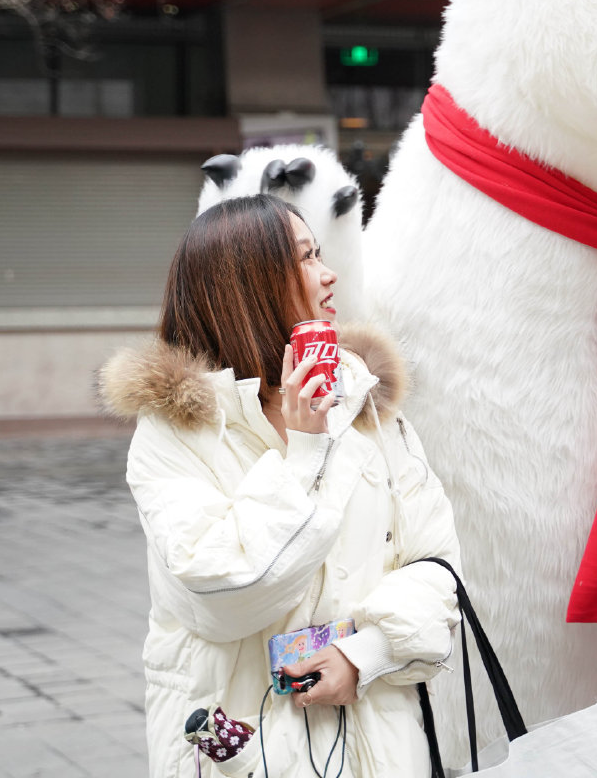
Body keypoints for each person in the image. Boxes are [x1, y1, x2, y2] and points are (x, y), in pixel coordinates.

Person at [99, 193, 461, 778]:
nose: (330, 273)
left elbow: (437, 564)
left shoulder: (361, 404)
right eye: (308, 257)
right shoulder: (176, 434)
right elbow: (226, 595)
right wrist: (306, 452)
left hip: (379, 745)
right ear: (250, 286)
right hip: (246, 750)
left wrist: (364, 653)